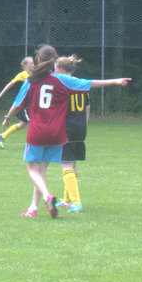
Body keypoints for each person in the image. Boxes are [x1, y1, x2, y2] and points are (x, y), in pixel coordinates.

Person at [9, 45, 131, 218]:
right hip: (58, 134)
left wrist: (7, 117)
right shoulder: (64, 80)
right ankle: (33, 207)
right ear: (53, 61)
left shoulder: (32, 81)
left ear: (38, 60)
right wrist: (115, 81)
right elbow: (90, 85)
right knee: (44, 170)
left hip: (40, 132)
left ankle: (52, 197)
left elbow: (16, 105)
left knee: (34, 170)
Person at [54, 55, 90, 213]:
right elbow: (87, 107)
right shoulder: (80, 84)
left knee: (66, 164)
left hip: (66, 128)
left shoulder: (62, 85)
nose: (54, 72)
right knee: (72, 163)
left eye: (55, 69)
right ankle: (67, 200)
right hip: (80, 128)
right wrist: (84, 128)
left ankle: (77, 203)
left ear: (62, 70)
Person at [0, 56, 34, 148]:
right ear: (25, 66)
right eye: (31, 63)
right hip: (24, 105)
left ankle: (2, 136)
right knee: (34, 121)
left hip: (30, 104)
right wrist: (1, 93)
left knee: (23, 124)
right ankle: (34, 144)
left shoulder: (36, 73)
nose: (33, 65)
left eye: (33, 63)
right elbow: (11, 83)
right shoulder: (22, 75)